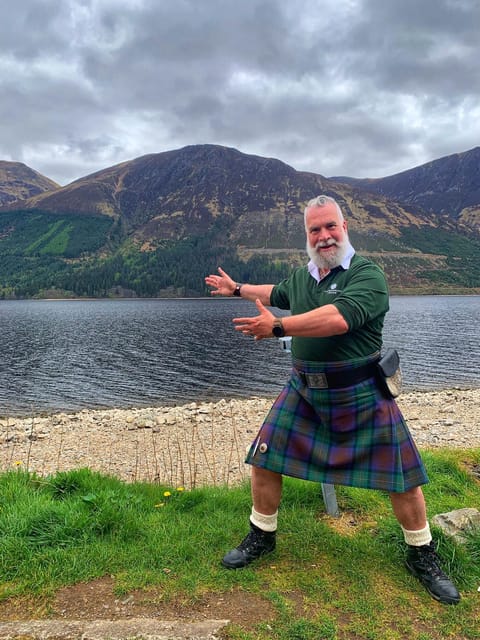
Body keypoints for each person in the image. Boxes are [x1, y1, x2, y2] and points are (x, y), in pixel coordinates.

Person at [204, 195, 460, 605]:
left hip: (359, 390)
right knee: (264, 456)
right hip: (304, 390)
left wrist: (279, 327)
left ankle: (421, 553)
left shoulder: (367, 275)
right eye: (314, 229)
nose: (323, 236)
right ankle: (262, 535)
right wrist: (236, 289)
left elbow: (338, 318)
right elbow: (277, 291)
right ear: (307, 235)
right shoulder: (305, 276)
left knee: (402, 476)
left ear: (345, 228)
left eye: (330, 227)